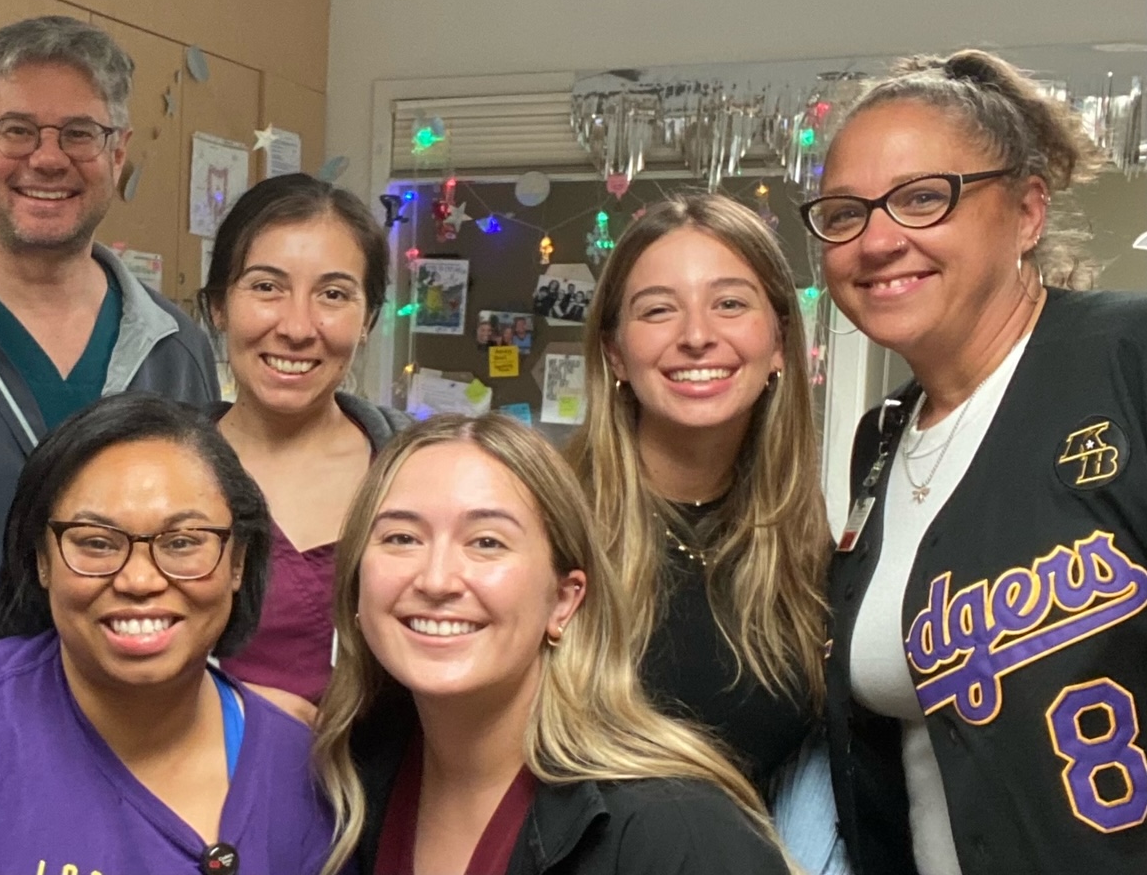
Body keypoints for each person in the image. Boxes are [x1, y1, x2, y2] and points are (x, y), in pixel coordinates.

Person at [802, 49, 1147, 875]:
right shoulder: (881, 440)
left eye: (924, 198)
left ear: (1028, 212)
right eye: (845, 213)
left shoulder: (1126, 359)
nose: (879, 240)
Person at [0, 15, 218, 692]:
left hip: (135, 749)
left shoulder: (175, 350)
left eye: (80, 133)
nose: (48, 158)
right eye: (17, 129)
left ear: (117, 154)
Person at [0, 392, 333, 874]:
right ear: (41, 560)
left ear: (238, 561)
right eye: (96, 542)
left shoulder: (303, 772)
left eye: (181, 543)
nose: (139, 580)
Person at [314, 413, 792, 875]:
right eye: (401, 537)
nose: (437, 580)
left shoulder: (678, 832)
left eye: (486, 543)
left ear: (564, 600)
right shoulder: (349, 783)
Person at [567, 193, 834, 800]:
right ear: (614, 352)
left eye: (730, 304)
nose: (695, 336)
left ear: (779, 344)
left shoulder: (802, 547)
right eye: (658, 310)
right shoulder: (544, 519)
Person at [199, 173, 407, 722]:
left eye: (333, 295)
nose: (296, 327)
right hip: (198, 797)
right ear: (219, 305)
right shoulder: (155, 473)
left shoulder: (421, 474)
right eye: (266, 287)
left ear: (369, 321)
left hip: (392, 801)